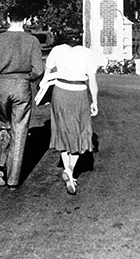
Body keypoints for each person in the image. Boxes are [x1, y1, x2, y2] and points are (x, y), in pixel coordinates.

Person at [0, 6, 44, 190]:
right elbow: (39, 70)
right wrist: (27, 78)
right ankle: (13, 180)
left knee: (4, 124)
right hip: (22, 86)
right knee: (20, 130)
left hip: (2, 86)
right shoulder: (32, 41)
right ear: (26, 20)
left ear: (7, 18)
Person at [39, 28, 98, 195]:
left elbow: (47, 74)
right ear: (80, 38)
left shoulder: (57, 51)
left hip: (60, 93)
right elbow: (92, 82)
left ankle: (68, 172)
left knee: (62, 130)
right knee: (80, 131)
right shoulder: (87, 53)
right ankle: (71, 170)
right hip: (78, 93)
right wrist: (95, 102)